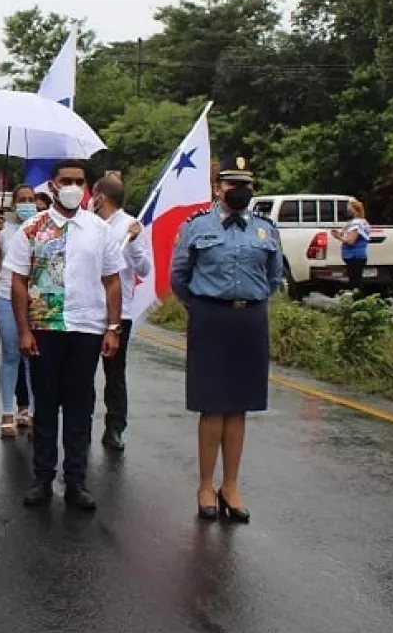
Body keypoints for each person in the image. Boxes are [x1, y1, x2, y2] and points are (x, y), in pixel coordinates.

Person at [4, 161, 126, 511]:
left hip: (86, 329)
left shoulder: (99, 230)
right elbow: (17, 280)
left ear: (88, 186)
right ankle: (43, 478)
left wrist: (113, 328)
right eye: (65, 181)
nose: (72, 186)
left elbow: (112, 279)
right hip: (45, 328)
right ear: (53, 186)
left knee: (79, 406)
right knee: (45, 406)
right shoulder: (31, 229)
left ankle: (75, 480)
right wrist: (24, 329)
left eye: (79, 181)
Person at [170, 159, 281, 524]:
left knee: (239, 406)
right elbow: (179, 275)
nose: (240, 191)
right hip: (210, 316)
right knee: (212, 404)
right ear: (218, 188)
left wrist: (249, 301)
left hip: (249, 318)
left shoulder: (266, 229)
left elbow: (273, 276)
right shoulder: (197, 226)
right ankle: (205, 485)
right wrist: (200, 307)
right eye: (233, 185)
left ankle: (230, 486)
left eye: (246, 185)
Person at [91, 173, 152, 452]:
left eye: (94, 194)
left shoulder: (130, 226)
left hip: (119, 312)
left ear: (101, 196)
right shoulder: (89, 224)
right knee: (82, 373)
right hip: (89, 311)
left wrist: (136, 244)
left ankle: (115, 428)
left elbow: (144, 269)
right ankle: (81, 423)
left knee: (115, 373)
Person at [0, 185, 38, 438]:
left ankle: (29, 411)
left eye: (31, 200)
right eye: (22, 200)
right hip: (7, 298)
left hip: (36, 301)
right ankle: (7, 412)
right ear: (14, 204)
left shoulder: (44, 229)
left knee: (33, 357)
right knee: (11, 355)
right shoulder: (6, 231)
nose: (27, 204)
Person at [333, 199, 372, 298]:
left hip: (354, 256)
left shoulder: (356, 224)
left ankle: (358, 302)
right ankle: (359, 301)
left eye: (349, 207)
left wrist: (338, 237)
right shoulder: (363, 222)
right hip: (359, 255)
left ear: (354, 210)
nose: (347, 209)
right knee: (356, 280)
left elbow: (350, 241)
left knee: (355, 282)